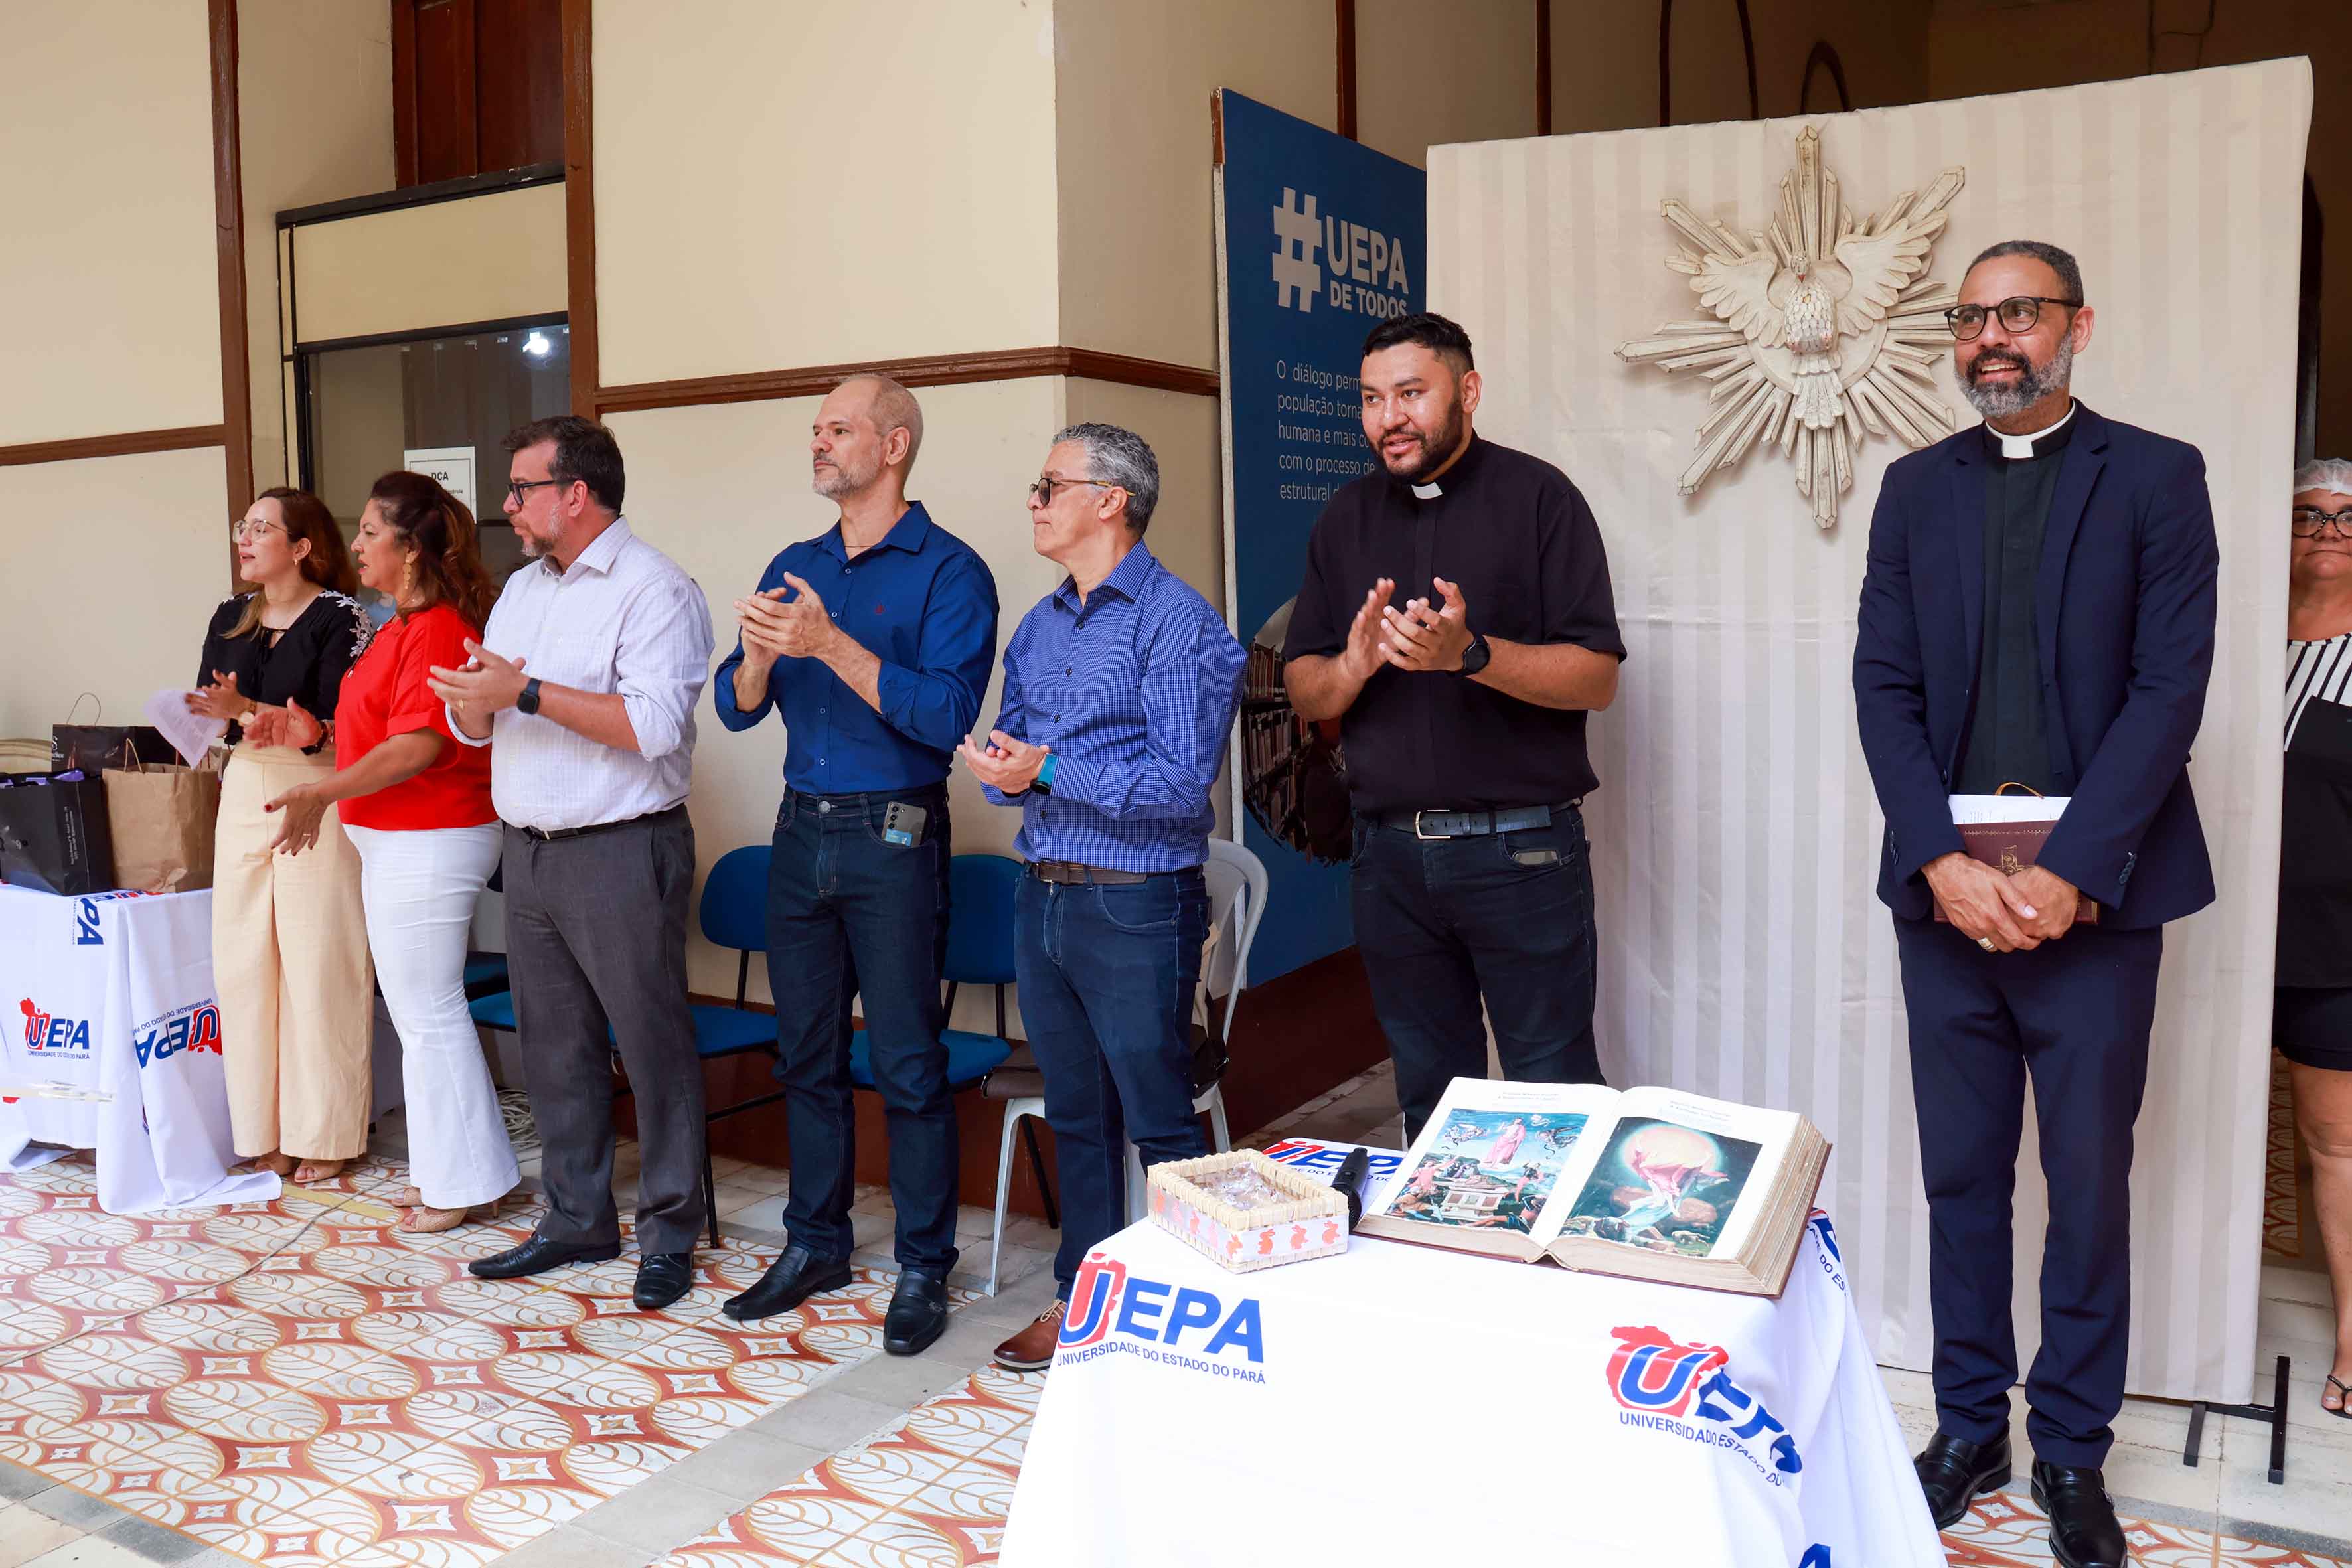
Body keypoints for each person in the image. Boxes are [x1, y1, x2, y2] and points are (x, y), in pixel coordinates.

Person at [1853, 240, 2218, 1568]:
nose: (1990, 338)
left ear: (2076, 324)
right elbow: (1882, 685)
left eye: (2017, 312)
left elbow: (2168, 689)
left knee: (2084, 1180)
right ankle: (1968, 1427)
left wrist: (2068, 869)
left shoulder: (2158, 477)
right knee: (1960, 1176)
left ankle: (2067, 1445)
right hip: (1943, 901)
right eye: (1969, 317)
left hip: (2096, 905)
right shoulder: (1913, 488)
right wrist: (1940, 864)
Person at [1281, 312, 1626, 1142]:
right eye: (1371, 399)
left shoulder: (1541, 499)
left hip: (1522, 855)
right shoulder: (1345, 516)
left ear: (1467, 391)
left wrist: (1470, 655)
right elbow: (1305, 690)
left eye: (1410, 393)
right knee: (1432, 1107)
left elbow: (1598, 677)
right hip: (1389, 862)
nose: (1388, 418)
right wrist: (1352, 667)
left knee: (1554, 1099)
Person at [710, 376, 997, 1355]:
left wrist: (829, 644)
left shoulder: (951, 571)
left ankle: (923, 1264)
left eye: (839, 429)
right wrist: (757, 661)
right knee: (806, 1053)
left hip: (895, 830)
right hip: (800, 827)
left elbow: (945, 716)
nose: (819, 443)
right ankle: (815, 1243)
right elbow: (735, 705)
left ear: (895, 445)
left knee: (908, 1060)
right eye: (816, 430)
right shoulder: (794, 564)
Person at [957, 423, 1246, 1373]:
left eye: (1050, 485)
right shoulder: (1040, 626)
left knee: (1158, 1116)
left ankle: (1191, 1308)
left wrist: (1047, 769)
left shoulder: (1178, 622)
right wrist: (1006, 766)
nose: (1034, 501)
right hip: (1041, 895)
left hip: (1137, 903)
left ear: (1110, 499)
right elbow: (1019, 754)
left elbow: (1180, 786)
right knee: (1075, 1114)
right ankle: (1082, 1296)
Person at [426, 416, 716, 1312]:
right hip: (530, 851)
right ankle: (576, 1217)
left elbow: (653, 726)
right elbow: (487, 719)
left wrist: (523, 691)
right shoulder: (521, 589)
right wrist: (474, 706)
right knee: (554, 1048)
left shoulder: (655, 588)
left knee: (652, 1048)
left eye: (522, 488)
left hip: (622, 847)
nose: (508, 505)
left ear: (575, 494)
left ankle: (669, 1233)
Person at [248, 471, 517, 1233]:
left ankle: (459, 1184)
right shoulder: (398, 625)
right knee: (421, 1010)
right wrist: (320, 736)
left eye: (371, 532)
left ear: (411, 548)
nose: (357, 544)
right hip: (396, 839)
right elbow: (380, 729)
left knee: (428, 1012)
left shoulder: (438, 629)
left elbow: (418, 746)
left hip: (430, 837)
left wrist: (322, 792)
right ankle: (462, 1174)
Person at [195, 489, 372, 1186]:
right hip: (244, 781)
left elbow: (336, 722)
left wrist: (249, 708)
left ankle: (326, 1132)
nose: (245, 538)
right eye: (244, 526)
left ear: (302, 547)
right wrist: (212, 716)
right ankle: (263, 1131)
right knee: (243, 961)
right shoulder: (229, 614)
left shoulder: (341, 616)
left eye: (261, 528)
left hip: (318, 784)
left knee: (319, 957)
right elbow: (214, 708)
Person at [2274, 456, 2352, 1421]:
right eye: (2308, 513)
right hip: (2215, 928)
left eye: (2346, 516)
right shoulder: (2231, 641)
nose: (2328, 532)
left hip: (2335, 945)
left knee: (2336, 1141)